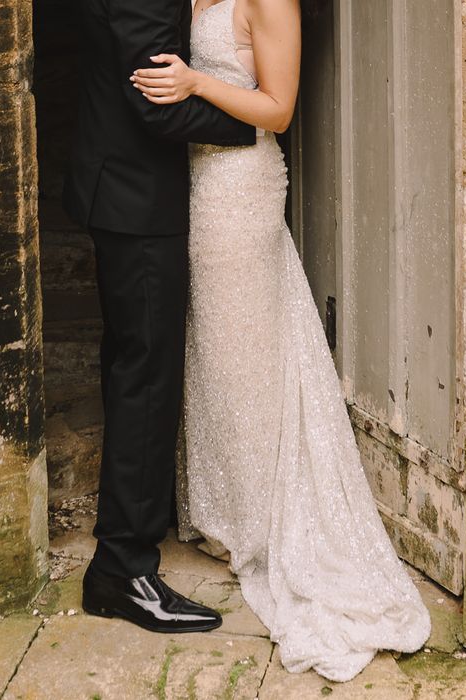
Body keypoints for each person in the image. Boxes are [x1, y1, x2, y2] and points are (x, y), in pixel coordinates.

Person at [129, 0, 432, 682]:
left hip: (241, 184)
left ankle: (265, 520)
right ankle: (224, 509)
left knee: (245, 354)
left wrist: (196, 82)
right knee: (218, 351)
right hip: (198, 177)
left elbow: (278, 108)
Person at [62, 0, 256, 634]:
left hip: (116, 189)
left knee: (131, 371)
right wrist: (254, 125)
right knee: (146, 381)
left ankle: (126, 548)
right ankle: (123, 571)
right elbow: (152, 104)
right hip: (137, 202)